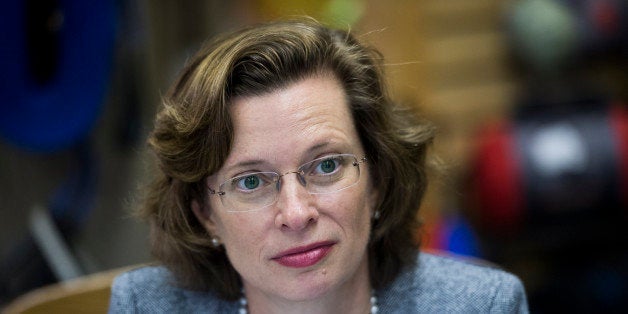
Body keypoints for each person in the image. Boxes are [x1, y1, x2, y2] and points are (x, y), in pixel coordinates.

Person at [109, 18, 529, 313]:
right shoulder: (146, 307)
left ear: (377, 181)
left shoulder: (482, 305)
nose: (295, 214)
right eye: (251, 181)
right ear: (205, 214)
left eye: (326, 166)